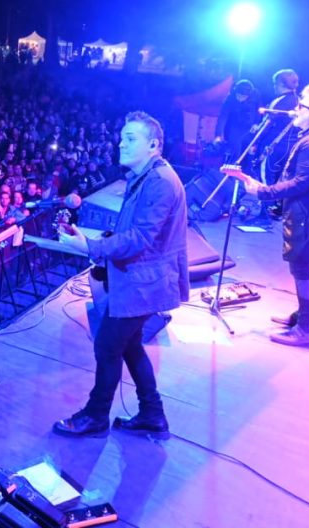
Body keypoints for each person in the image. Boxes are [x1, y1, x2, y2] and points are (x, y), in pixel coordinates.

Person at [54, 111, 188, 438]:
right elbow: (133, 232)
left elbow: (141, 239)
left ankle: (96, 415)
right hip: (140, 280)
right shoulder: (145, 176)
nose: (121, 143)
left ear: (154, 145)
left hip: (145, 283)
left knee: (107, 346)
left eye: (131, 138)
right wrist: (93, 240)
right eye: (122, 136)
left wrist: (90, 246)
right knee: (129, 347)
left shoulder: (159, 182)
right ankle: (152, 414)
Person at [233, 84, 309, 347]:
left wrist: (262, 191)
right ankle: (304, 316)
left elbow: (300, 183)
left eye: (301, 107)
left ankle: (306, 329)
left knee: (302, 268)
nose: (295, 111)